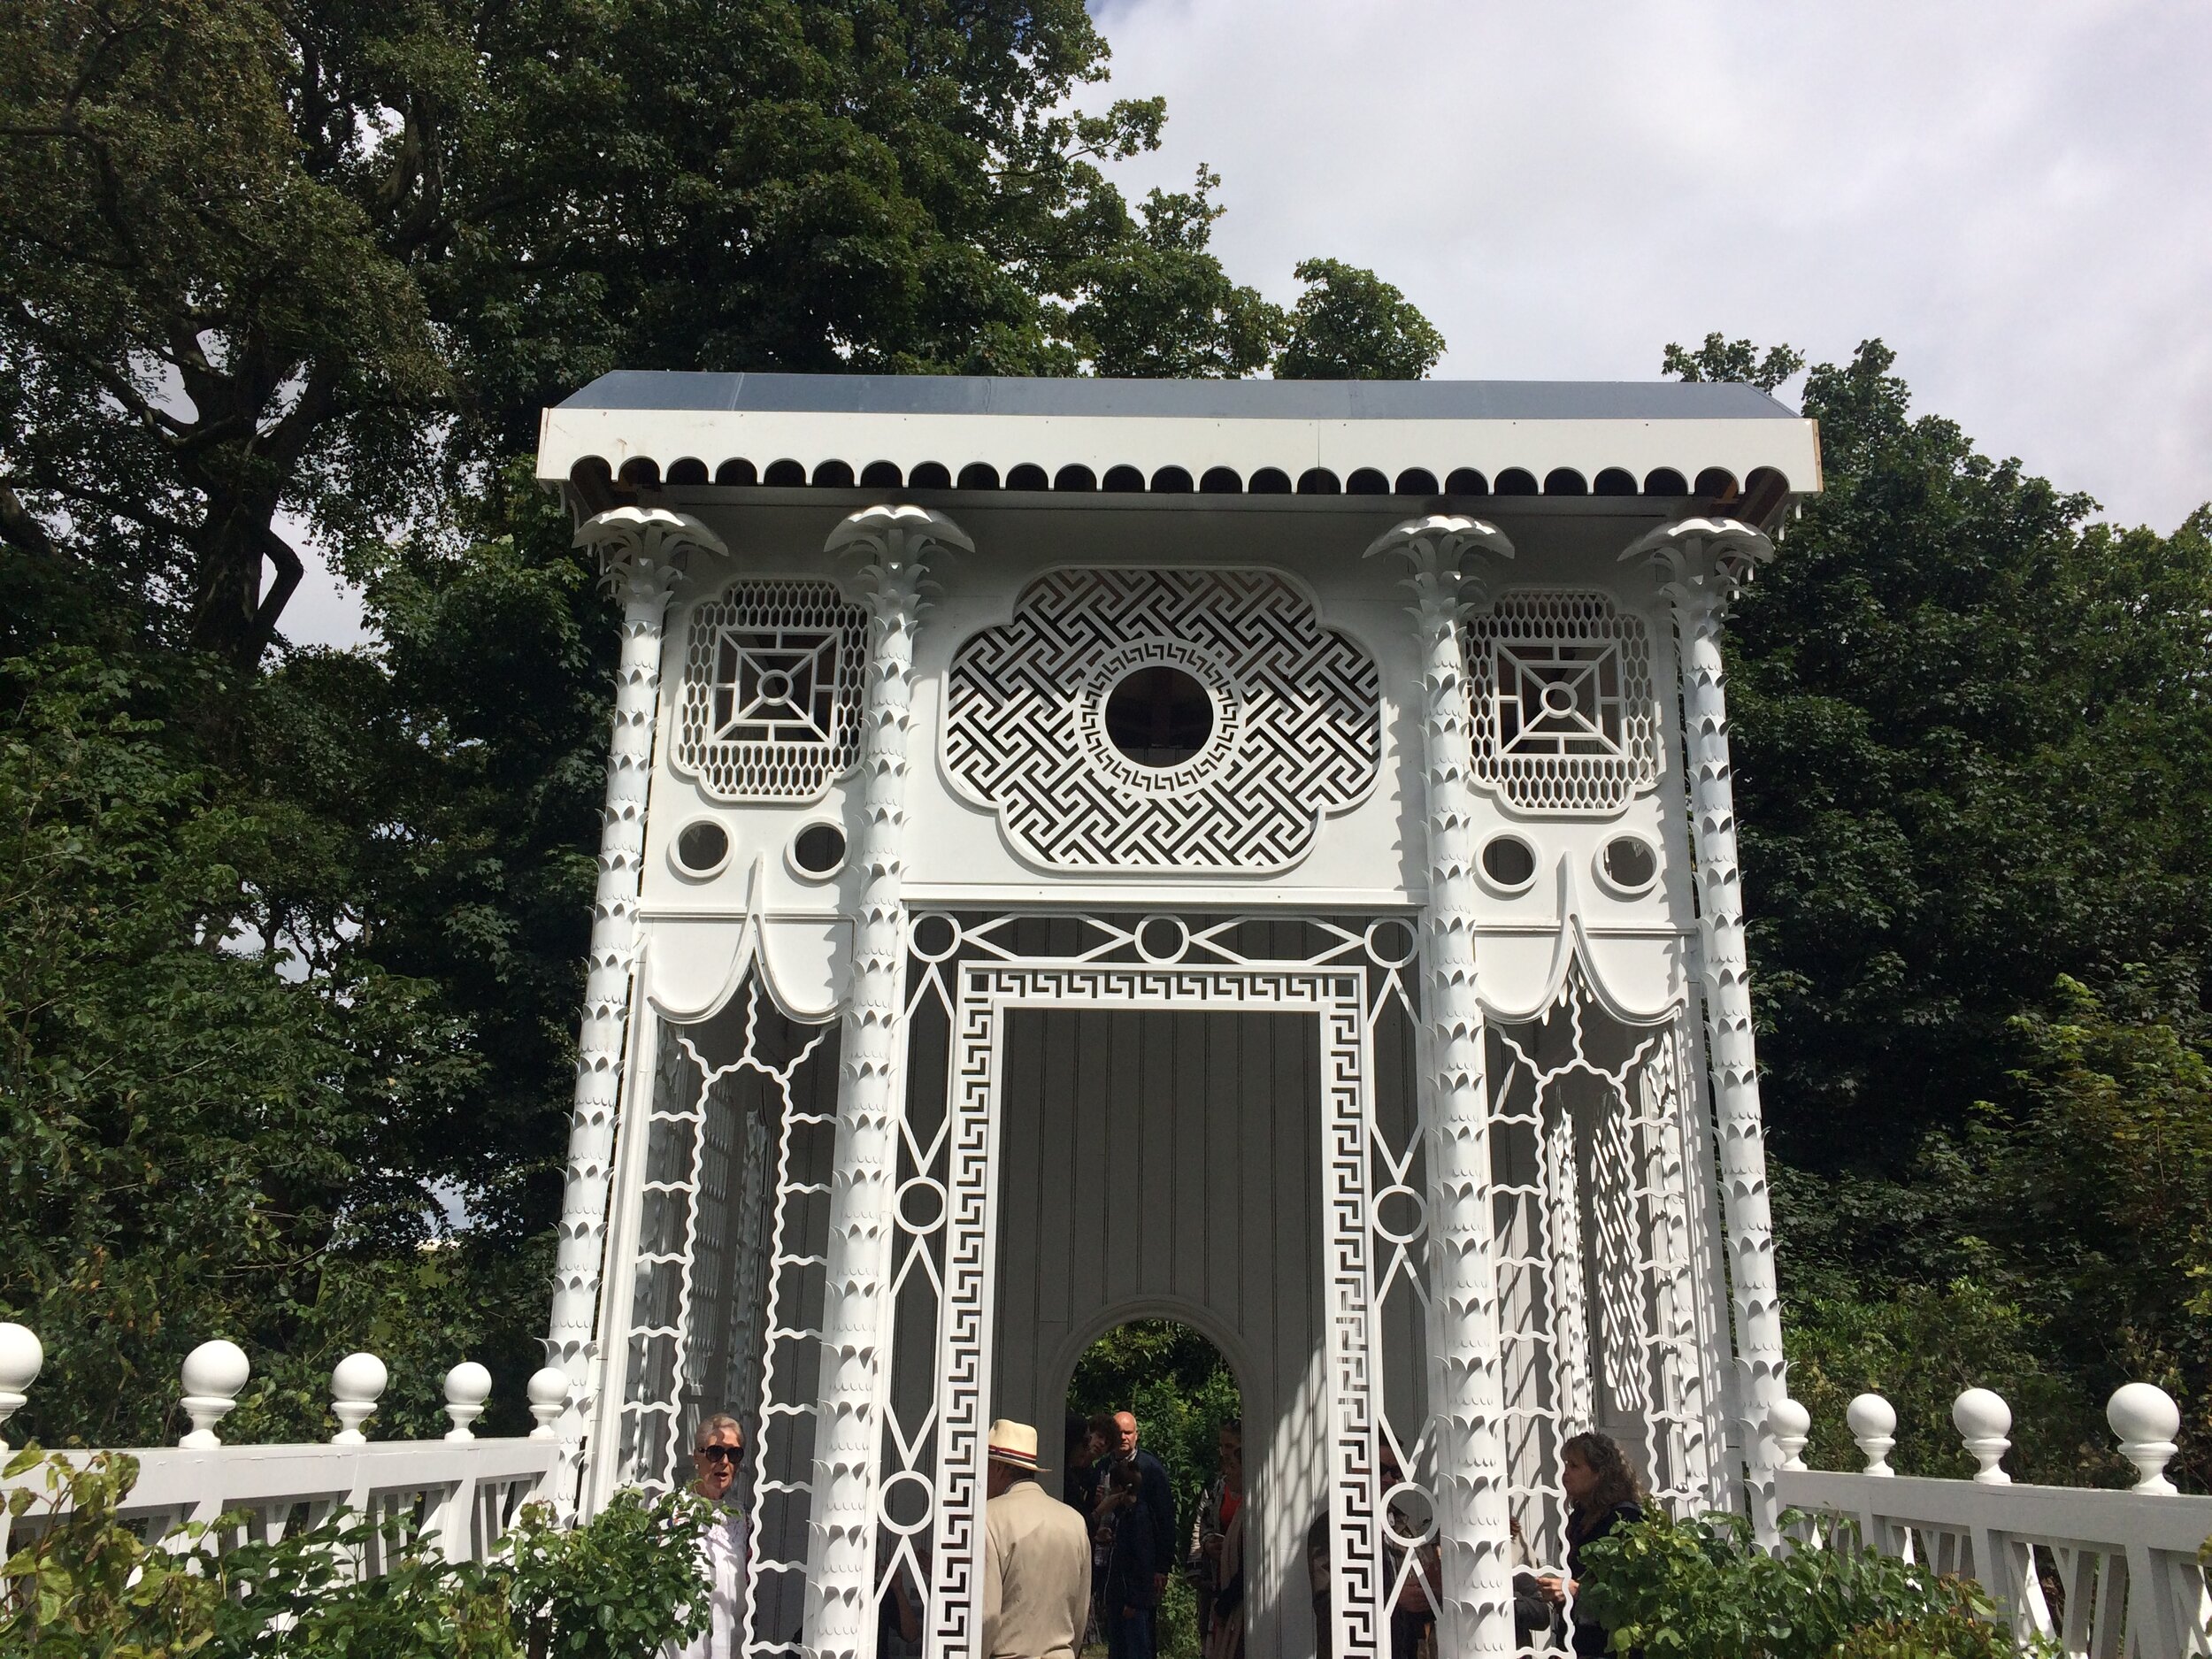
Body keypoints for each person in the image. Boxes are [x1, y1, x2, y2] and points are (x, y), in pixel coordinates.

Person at [983, 1417, 1092, 1659]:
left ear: (999, 1467)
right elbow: (1080, 1612)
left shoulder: (990, 1518)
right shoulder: (1074, 1521)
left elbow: (987, 1615)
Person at [1537, 1430, 1647, 1658]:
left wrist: (1577, 1591)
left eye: (1574, 1466)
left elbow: (1633, 1591)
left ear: (1600, 1474)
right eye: (1566, 1464)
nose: (1565, 1473)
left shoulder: (1625, 1519)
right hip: (1577, 1639)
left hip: (1611, 1645)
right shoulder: (1578, 1517)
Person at [668, 1413, 748, 1659]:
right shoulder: (669, 1512)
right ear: (697, 1456)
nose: (723, 1462)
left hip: (730, 1646)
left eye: (733, 1454)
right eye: (715, 1452)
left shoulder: (743, 1520)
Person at [1094, 1455, 1162, 1659]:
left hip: (1131, 1601)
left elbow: (1142, 1561)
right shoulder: (1125, 1515)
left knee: (1136, 1649)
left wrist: (1133, 1601)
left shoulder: (1139, 1517)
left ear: (1119, 1489)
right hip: (1121, 1598)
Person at [1111, 1410, 1177, 1616]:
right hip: (1111, 1564)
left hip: (1142, 1567)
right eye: (1119, 1432)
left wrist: (1162, 1567)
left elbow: (1165, 1518)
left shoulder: (1151, 1469)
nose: (1123, 1437)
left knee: (1140, 1634)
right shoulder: (1104, 1466)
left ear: (1136, 1435)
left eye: (1128, 1432)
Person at [1189, 1419, 1243, 1651]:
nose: (1225, 1453)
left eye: (1230, 1447)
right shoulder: (1219, 1486)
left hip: (1240, 1581)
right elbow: (1205, 1522)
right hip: (1216, 1577)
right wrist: (1209, 1542)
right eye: (1222, 1447)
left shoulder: (1255, 1486)